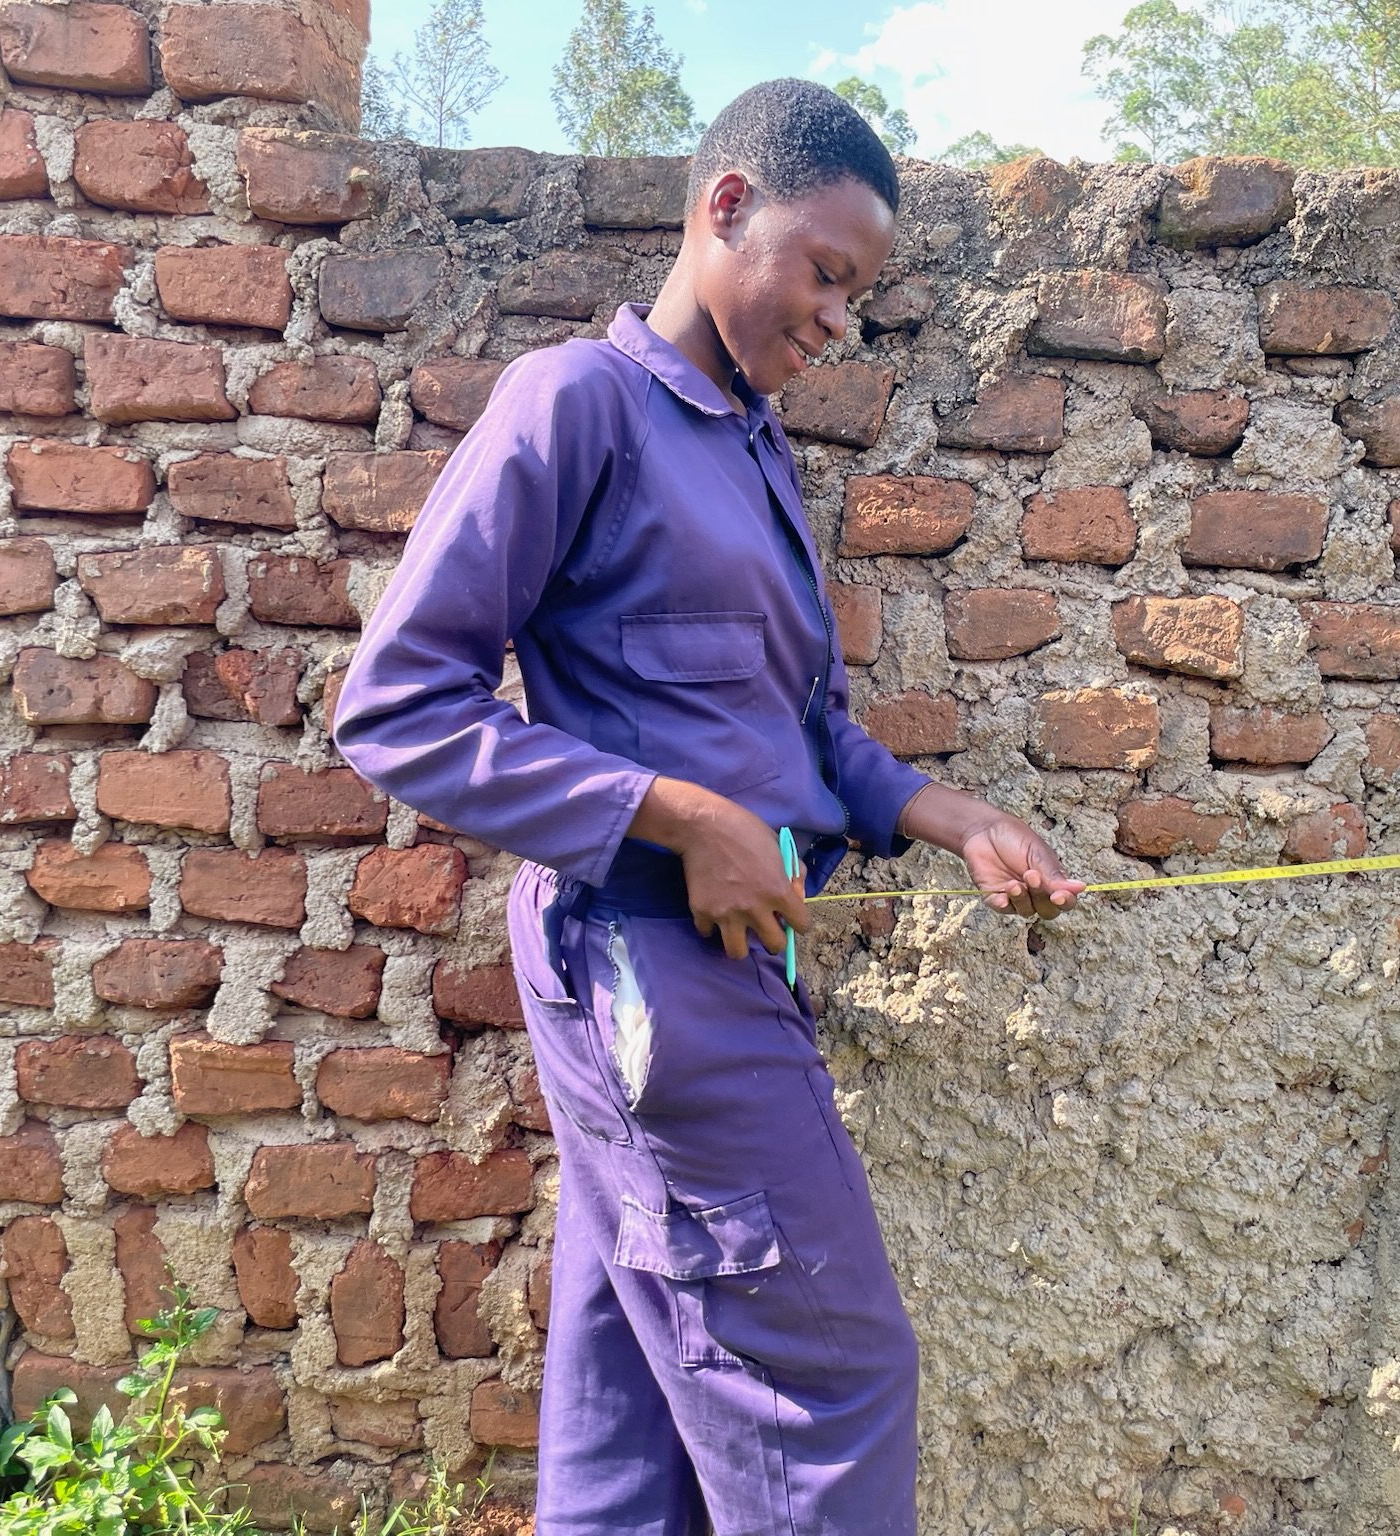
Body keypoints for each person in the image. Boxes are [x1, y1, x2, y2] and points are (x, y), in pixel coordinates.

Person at [333, 77, 1085, 1536]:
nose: (836, 320)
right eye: (827, 273)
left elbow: (807, 731)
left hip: (732, 971)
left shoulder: (752, 453)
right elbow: (398, 706)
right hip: (647, 969)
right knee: (832, 1385)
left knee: (632, 1415)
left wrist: (950, 819)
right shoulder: (579, 403)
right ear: (727, 208)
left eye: (856, 295)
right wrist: (679, 814)